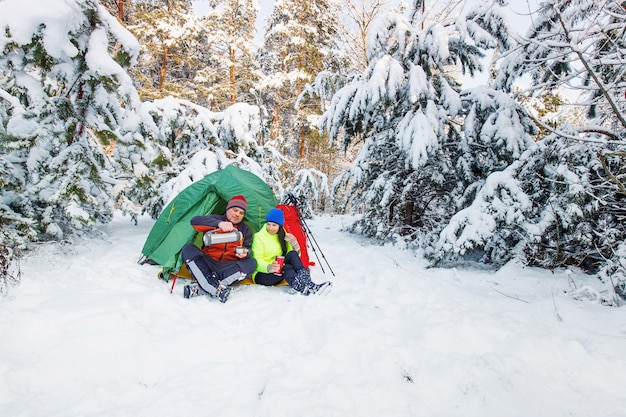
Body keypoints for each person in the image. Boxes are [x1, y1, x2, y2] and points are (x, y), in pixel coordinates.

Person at [181, 195, 256, 302]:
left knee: (251, 263)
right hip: (208, 264)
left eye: (241, 213)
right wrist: (219, 224)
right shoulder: (215, 219)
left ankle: (203, 287)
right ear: (228, 209)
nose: (237, 214)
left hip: (227, 267)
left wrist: (245, 253)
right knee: (188, 249)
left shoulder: (245, 229)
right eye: (235, 210)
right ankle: (217, 289)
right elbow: (194, 221)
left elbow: (248, 249)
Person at [251, 208, 331, 295]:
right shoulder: (259, 237)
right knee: (287, 269)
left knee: (292, 256)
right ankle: (306, 289)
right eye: (268, 224)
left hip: (279, 269)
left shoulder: (283, 235)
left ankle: (310, 285)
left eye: (274, 225)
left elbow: (293, 256)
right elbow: (256, 261)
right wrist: (269, 267)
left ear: (279, 226)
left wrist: (295, 245)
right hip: (262, 273)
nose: (270, 228)